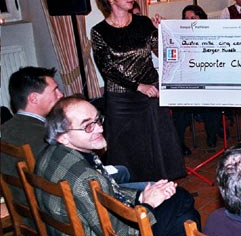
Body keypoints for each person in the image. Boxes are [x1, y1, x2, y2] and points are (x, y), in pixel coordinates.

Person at [36, 96, 201, 236]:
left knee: (181, 210)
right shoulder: (84, 179)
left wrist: (140, 197)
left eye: (98, 120)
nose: (99, 129)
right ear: (63, 136)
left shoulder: (47, 155)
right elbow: (123, 235)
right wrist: (147, 205)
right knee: (184, 209)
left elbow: (105, 191)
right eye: (88, 126)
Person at [91, 0, 185, 182]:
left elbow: (163, 53)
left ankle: (161, 187)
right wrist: (138, 86)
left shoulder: (143, 23)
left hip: (150, 94)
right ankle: (132, 189)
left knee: (157, 144)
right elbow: (107, 69)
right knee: (127, 147)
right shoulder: (99, 31)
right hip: (121, 99)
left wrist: (163, 32)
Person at [0, 67, 138, 188]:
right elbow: (77, 172)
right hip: (65, 195)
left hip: (23, 198)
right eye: (55, 90)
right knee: (123, 171)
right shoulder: (46, 136)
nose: (61, 94)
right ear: (34, 98)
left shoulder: (7, 127)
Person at [172, 5, 221, 152]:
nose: (189, 22)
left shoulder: (213, 35)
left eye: (193, 18)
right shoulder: (179, 38)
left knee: (213, 103)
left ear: (202, 18)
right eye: (186, 19)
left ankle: (212, 136)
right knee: (179, 108)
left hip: (208, 84)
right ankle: (179, 143)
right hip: (188, 86)